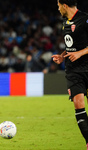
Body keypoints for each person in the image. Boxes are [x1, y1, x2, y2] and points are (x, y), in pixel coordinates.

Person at [52, 0, 88, 149]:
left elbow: (79, 49)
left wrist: (80, 53)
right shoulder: (65, 22)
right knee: (78, 104)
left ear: (65, 5)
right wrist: (62, 56)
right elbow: (71, 46)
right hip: (73, 71)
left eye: (58, 5)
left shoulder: (85, 19)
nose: (58, 8)